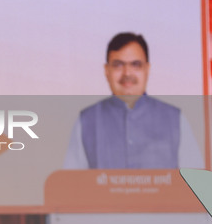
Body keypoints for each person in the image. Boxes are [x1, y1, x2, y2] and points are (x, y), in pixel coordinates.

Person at [63, 32, 203, 169]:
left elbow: (197, 185)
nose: (127, 73)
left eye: (135, 65)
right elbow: (71, 186)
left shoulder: (175, 119)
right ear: (107, 70)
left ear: (147, 69)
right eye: (118, 65)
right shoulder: (87, 121)